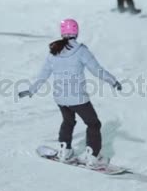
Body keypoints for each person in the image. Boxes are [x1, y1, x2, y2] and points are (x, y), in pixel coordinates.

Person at [19, 19, 122, 168]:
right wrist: (113, 81)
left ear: (62, 33)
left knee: (68, 121)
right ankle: (93, 157)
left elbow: (43, 74)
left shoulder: (54, 51)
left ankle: (65, 150)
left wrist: (31, 90)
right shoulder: (81, 50)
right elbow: (97, 70)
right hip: (78, 98)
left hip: (61, 98)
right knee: (93, 124)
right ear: (76, 32)